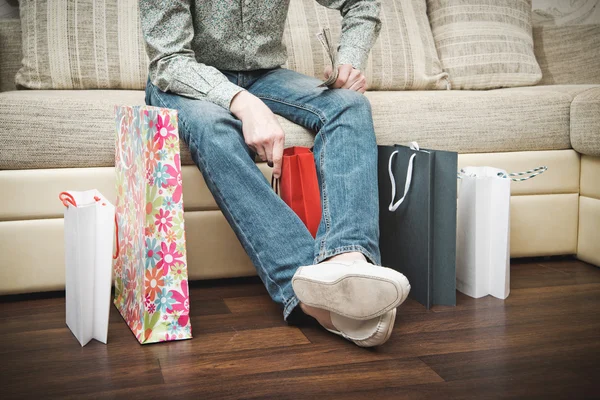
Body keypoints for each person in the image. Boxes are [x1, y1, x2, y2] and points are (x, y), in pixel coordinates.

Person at [140, 0, 410, 347]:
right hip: (185, 77)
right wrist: (243, 103)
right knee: (214, 127)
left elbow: (362, 4)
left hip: (265, 76)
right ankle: (307, 291)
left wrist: (350, 59)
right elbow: (169, 61)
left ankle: (346, 260)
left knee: (349, 106)